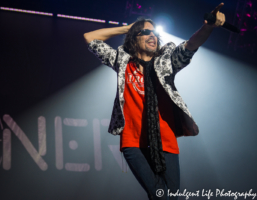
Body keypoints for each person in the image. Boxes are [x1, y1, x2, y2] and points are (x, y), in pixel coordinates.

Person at [84, 3, 226, 200]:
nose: (153, 36)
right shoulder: (122, 62)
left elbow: (191, 45)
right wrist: (127, 28)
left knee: (171, 197)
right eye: (145, 32)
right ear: (134, 38)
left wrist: (208, 26)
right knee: (159, 196)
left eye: (154, 33)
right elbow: (90, 38)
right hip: (133, 142)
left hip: (165, 141)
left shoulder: (165, 63)